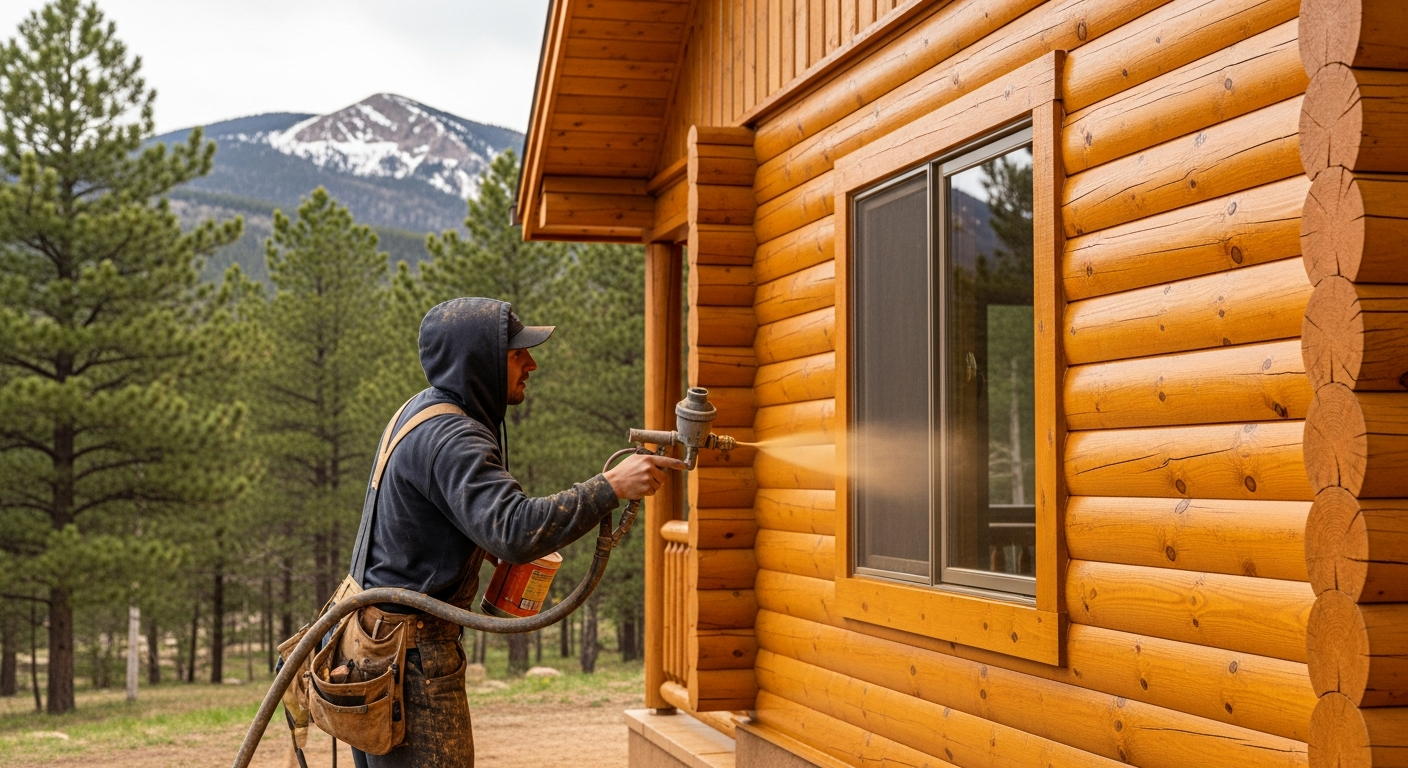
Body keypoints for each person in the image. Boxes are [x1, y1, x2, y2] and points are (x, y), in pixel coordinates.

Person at [348, 297, 682, 767]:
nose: (532, 363)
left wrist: (470, 542)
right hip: (412, 659)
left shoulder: (423, 412)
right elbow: (516, 530)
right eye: (516, 353)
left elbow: (423, 520)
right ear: (479, 361)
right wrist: (611, 486)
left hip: (377, 648)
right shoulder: (454, 437)